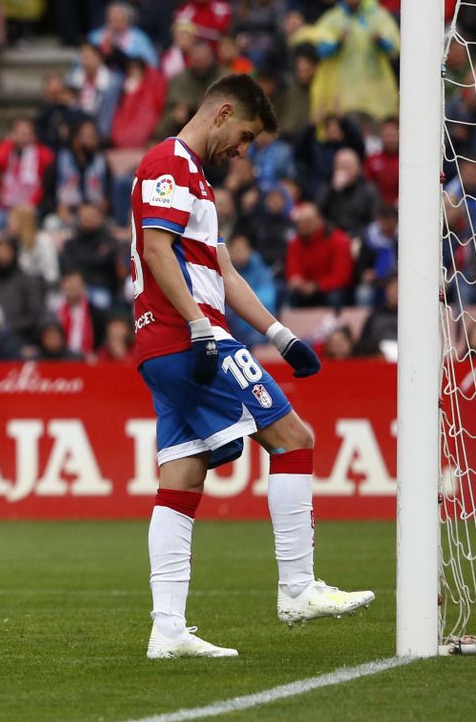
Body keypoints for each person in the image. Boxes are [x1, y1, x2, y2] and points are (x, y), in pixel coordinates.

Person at [129, 73, 372, 660]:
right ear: (223, 112)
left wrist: (280, 335)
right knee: (293, 439)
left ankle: (167, 629)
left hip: (169, 344)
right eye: (244, 135)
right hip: (189, 341)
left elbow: (225, 275)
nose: (243, 150)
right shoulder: (170, 163)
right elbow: (157, 249)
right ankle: (297, 588)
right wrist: (197, 324)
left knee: (182, 476)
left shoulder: (196, 182)